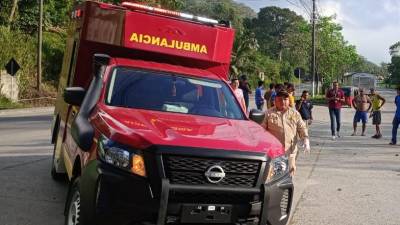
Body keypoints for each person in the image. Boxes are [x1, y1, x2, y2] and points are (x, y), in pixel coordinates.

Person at [261, 90, 310, 176]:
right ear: (275, 101)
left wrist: (305, 139)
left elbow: (301, 127)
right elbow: (261, 131)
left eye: (285, 99)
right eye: (280, 99)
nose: (283, 101)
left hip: (290, 151)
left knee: (289, 174)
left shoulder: (294, 114)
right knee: (274, 176)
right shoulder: (268, 114)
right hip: (274, 152)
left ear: (289, 100)